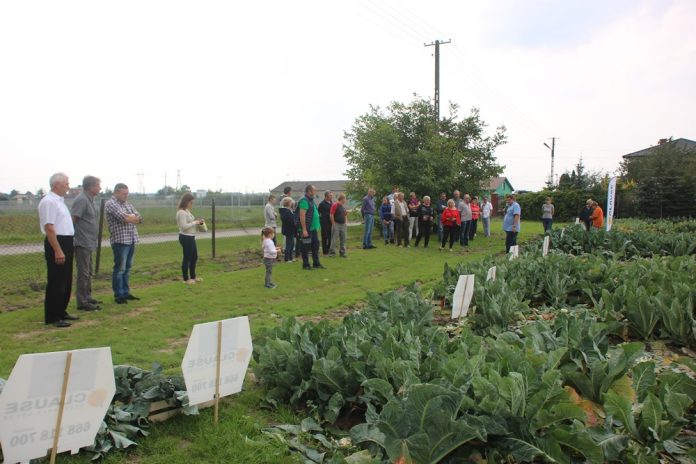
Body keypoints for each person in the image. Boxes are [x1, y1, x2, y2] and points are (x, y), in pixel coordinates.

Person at [39, 173, 79, 328]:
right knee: (56, 280)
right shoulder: (49, 202)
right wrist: (58, 250)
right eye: (66, 184)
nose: (68, 187)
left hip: (67, 241)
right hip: (57, 241)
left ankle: (61, 311)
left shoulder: (59, 201)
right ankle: (52, 316)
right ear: (56, 184)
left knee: (66, 280)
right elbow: (49, 228)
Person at [105, 183, 143, 304]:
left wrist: (132, 218)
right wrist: (131, 217)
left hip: (131, 239)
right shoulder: (111, 204)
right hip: (120, 241)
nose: (126, 196)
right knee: (120, 269)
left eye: (127, 193)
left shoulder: (127, 204)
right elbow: (124, 218)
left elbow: (140, 218)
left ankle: (126, 292)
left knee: (127, 268)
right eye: (124, 194)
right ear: (116, 193)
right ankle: (119, 295)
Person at [71, 175, 102, 311]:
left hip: (90, 241)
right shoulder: (82, 200)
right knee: (83, 273)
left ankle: (88, 297)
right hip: (82, 242)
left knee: (88, 271)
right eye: (98, 185)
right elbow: (73, 219)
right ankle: (82, 301)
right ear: (90, 187)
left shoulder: (92, 200)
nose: (100, 188)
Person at [176, 192, 204, 284]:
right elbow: (183, 227)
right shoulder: (181, 212)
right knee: (187, 258)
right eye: (191, 202)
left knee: (194, 257)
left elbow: (190, 223)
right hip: (185, 237)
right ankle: (186, 279)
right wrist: (195, 222)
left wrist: (199, 223)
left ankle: (193, 277)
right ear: (186, 201)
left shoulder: (187, 211)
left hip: (191, 237)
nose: (192, 204)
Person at [298, 185, 324, 270]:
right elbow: (302, 216)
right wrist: (304, 229)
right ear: (309, 191)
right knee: (305, 247)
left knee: (315, 246)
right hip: (307, 229)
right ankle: (306, 264)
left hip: (313, 229)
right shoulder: (304, 201)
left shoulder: (311, 200)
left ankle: (316, 263)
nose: (315, 192)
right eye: (314, 190)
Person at [329, 193, 348, 257]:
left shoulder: (343, 207)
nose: (345, 200)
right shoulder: (335, 205)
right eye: (345, 199)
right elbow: (331, 214)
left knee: (343, 239)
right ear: (342, 199)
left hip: (343, 225)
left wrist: (346, 223)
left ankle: (342, 252)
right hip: (336, 224)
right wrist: (333, 223)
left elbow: (345, 215)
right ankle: (332, 253)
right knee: (334, 239)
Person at [279, 197, 297, 262]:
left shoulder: (288, 211)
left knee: (292, 244)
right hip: (289, 230)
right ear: (289, 203)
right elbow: (290, 220)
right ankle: (287, 259)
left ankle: (290, 257)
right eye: (291, 203)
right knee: (289, 244)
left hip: (290, 229)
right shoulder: (286, 211)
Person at [318, 191, 333, 255]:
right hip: (324, 223)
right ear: (326, 196)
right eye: (330, 195)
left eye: (331, 195)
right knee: (325, 237)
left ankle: (330, 249)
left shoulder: (331, 203)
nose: (331, 197)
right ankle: (325, 251)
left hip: (331, 222)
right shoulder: (322, 204)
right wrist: (321, 219)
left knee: (330, 236)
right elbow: (318, 212)